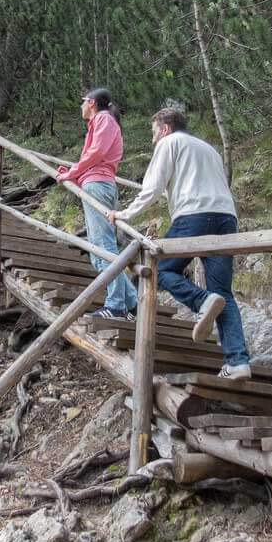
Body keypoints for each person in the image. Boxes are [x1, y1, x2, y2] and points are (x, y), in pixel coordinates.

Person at [107, 108, 252, 380]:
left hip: (194, 215)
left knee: (159, 269)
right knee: (224, 292)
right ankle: (238, 362)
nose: (152, 140)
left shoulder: (169, 143)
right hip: (226, 217)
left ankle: (202, 300)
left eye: (153, 133)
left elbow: (152, 188)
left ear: (164, 128)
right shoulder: (209, 149)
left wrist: (122, 214)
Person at [56, 88, 138, 320]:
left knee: (103, 249)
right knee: (98, 251)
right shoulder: (103, 121)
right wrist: (74, 173)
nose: (81, 107)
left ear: (91, 103)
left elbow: (96, 152)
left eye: (83, 102)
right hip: (98, 183)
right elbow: (95, 156)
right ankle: (132, 303)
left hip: (98, 185)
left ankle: (116, 306)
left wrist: (73, 172)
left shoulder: (103, 119)